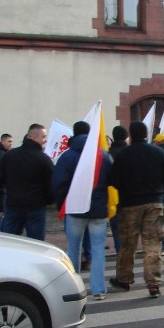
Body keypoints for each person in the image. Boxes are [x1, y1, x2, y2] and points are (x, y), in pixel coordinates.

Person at [108, 120, 164, 298]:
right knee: (152, 243)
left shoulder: (123, 155)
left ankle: (124, 279)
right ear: (146, 135)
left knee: (128, 244)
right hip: (154, 203)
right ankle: (153, 284)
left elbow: (112, 180)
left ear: (131, 135)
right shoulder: (158, 152)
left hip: (129, 205)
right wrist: (161, 190)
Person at [51, 120, 113, 300]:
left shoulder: (67, 156)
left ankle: (73, 287)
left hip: (75, 208)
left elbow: (58, 183)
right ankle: (99, 289)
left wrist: (63, 203)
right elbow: (111, 178)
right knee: (98, 248)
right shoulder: (102, 154)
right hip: (98, 208)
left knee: (73, 248)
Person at [0, 123, 53, 240]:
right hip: (35, 207)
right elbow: (50, 184)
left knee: (11, 241)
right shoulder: (43, 159)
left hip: (14, 205)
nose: (45, 140)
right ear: (33, 137)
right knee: (37, 243)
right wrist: (48, 200)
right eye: (43, 137)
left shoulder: (10, 156)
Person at [108, 125, 129, 254]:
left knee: (117, 231)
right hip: (130, 199)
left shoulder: (108, 155)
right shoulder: (130, 153)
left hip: (113, 199)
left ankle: (121, 257)